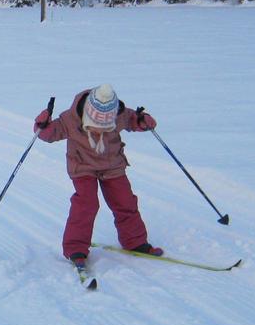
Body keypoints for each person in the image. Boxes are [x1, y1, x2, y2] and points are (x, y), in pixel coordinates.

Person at [33, 84, 162, 267]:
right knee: (86, 204)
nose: (100, 130)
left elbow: (132, 119)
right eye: (95, 125)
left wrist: (142, 121)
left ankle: (136, 242)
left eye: (105, 126)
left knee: (125, 201)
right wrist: (42, 125)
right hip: (83, 165)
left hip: (112, 165)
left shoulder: (119, 113)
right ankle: (76, 248)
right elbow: (49, 134)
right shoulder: (70, 119)